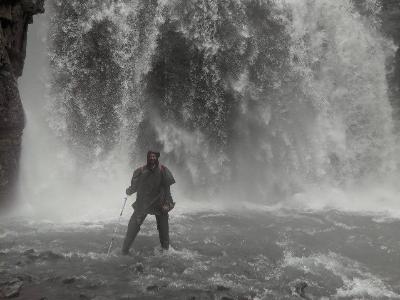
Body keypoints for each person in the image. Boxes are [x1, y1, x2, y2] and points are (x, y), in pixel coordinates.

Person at [122, 150, 176, 255]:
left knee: (163, 229)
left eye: (154, 156)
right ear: (147, 158)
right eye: (150, 156)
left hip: (159, 203)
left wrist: (168, 203)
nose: (152, 158)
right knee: (132, 226)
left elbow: (167, 189)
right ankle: (124, 250)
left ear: (157, 158)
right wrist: (129, 191)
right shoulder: (140, 171)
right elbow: (134, 187)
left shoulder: (163, 170)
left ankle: (165, 251)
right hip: (143, 203)